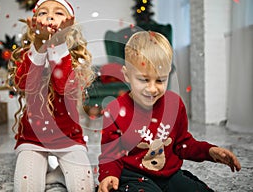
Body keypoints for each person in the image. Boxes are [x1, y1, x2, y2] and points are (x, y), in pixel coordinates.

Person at [97, 31, 241, 192]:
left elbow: (183, 144)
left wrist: (209, 151)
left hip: (169, 175)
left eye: (160, 80)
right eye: (143, 79)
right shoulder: (115, 110)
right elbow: (110, 154)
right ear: (127, 75)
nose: (152, 88)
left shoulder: (174, 104)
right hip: (133, 177)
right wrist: (109, 175)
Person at [8, 0, 95, 191]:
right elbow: (23, 85)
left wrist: (59, 45)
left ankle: (56, 175)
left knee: (84, 187)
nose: (50, 17)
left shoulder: (74, 57)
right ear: (35, 21)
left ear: (69, 24)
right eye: (43, 12)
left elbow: (63, 87)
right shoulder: (27, 54)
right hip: (32, 139)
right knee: (26, 187)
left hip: (68, 137)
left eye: (58, 13)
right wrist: (39, 48)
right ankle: (49, 175)